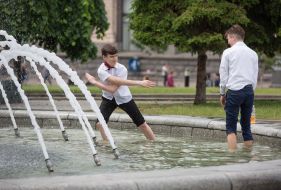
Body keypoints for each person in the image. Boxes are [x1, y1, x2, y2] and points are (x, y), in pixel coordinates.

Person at [85, 44, 156, 141]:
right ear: (104, 57)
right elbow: (110, 91)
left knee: (142, 124)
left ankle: (153, 143)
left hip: (124, 98)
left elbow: (113, 88)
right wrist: (139, 83)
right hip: (108, 99)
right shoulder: (101, 70)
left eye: (116, 56)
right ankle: (108, 145)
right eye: (111, 56)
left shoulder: (122, 69)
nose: (115, 59)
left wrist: (94, 82)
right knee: (100, 124)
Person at [219, 24, 258, 151]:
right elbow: (254, 76)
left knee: (230, 127)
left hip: (234, 92)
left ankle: (232, 158)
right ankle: (248, 155)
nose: (228, 42)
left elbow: (224, 74)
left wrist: (222, 93)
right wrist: (252, 92)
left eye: (228, 39)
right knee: (246, 127)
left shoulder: (228, 52)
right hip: (249, 91)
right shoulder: (253, 54)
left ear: (233, 37)